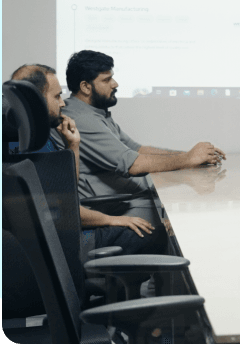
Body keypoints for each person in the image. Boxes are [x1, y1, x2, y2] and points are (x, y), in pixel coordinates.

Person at [10, 64, 167, 257]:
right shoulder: (37, 147)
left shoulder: (32, 139)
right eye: (57, 96)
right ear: (35, 101)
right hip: (70, 244)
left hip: (62, 238)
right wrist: (112, 220)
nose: (62, 103)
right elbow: (65, 210)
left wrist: (73, 147)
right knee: (158, 235)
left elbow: (67, 193)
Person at [52, 50, 226, 222]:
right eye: (107, 80)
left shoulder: (95, 113)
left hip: (126, 199)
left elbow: (137, 149)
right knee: (193, 213)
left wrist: (191, 156)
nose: (115, 84)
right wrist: (188, 158)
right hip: (111, 209)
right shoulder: (81, 119)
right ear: (85, 87)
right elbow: (132, 164)